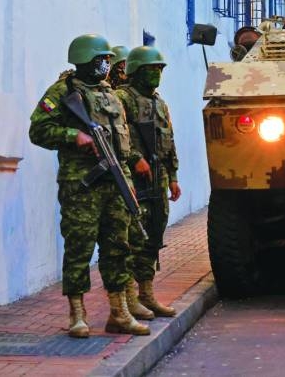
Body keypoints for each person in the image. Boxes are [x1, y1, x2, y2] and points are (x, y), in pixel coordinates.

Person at [28, 34, 150, 339]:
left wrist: (128, 183)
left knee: (117, 248)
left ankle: (119, 311)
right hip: (81, 186)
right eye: (101, 60)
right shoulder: (63, 92)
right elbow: (38, 129)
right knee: (79, 247)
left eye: (108, 60)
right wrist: (74, 136)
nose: (107, 65)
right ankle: (77, 313)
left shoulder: (112, 96)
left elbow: (123, 144)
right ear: (84, 60)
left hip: (115, 183)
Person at [117, 46, 181, 319]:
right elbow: (115, 136)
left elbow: (169, 141)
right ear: (136, 71)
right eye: (151, 69)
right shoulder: (122, 98)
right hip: (134, 179)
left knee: (154, 235)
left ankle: (147, 293)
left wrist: (173, 177)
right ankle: (129, 298)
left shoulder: (159, 103)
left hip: (158, 177)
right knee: (134, 238)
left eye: (160, 69)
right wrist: (133, 159)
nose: (157, 73)